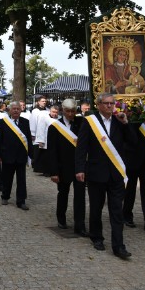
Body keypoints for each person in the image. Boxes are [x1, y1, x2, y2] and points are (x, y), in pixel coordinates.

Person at [75, 93, 136, 259]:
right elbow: (82, 147)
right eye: (106, 103)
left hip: (116, 174)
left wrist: (126, 123)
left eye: (112, 103)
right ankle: (97, 237)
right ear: (99, 105)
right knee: (96, 207)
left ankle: (119, 246)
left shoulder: (119, 121)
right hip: (96, 173)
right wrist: (80, 169)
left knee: (117, 210)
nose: (110, 106)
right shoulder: (90, 122)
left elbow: (132, 142)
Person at [46, 99, 87, 236]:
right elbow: (52, 152)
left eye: (73, 111)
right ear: (63, 110)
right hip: (63, 167)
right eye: (68, 111)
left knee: (80, 196)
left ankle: (80, 225)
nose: (70, 114)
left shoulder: (81, 124)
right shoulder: (54, 127)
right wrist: (54, 172)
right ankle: (61, 218)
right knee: (63, 193)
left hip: (79, 166)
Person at [0, 101, 33, 210]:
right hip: (7, 155)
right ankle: (5, 196)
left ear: (20, 110)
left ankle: (21, 201)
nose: (16, 110)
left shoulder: (25, 122)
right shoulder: (3, 122)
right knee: (7, 178)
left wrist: (31, 154)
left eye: (18, 109)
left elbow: (29, 140)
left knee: (21, 180)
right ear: (10, 110)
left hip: (21, 156)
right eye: (14, 109)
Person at [34, 105, 59, 175]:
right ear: (50, 111)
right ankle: (46, 171)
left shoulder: (59, 119)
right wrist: (41, 140)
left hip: (55, 141)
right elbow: (41, 128)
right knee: (45, 157)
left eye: (56, 112)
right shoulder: (44, 118)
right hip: (46, 140)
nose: (55, 114)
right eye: (53, 112)